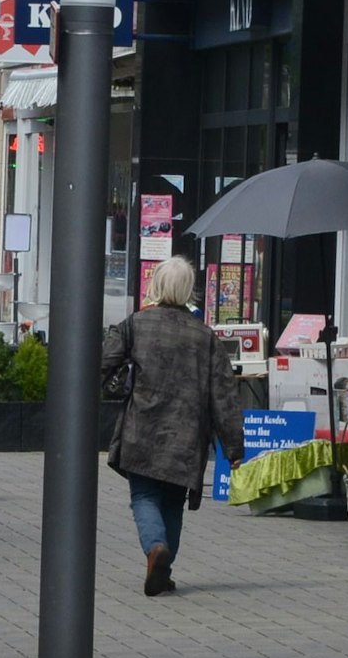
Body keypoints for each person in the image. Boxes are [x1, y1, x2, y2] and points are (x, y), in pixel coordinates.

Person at [100, 255, 245, 597]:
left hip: (142, 427)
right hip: (187, 435)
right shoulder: (206, 336)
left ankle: (155, 548)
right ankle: (163, 568)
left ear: (156, 285)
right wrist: (234, 448)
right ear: (188, 290)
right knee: (173, 502)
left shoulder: (135, 324)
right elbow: (224, 395)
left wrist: (119, 387)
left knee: (144, 495)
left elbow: (103, 365)